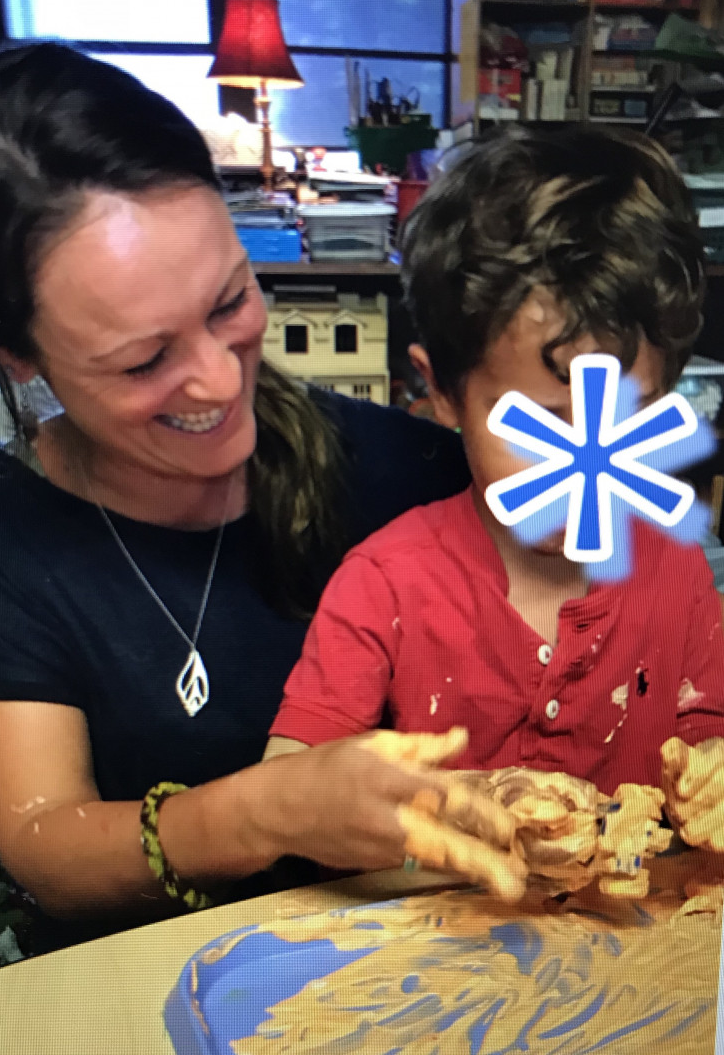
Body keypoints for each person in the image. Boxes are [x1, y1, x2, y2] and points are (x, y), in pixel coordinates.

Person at [0, 43, 526, 953]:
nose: (218, 383)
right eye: (144, 360)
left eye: (230, 302)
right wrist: (263, 812)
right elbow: (48, 848)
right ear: (10, 350)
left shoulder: (413, 473)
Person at [266, 126, 724, 854]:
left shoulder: (680, 577)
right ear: (442, 392)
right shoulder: (384, 585)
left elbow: (707, 744)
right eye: (537, 428)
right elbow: (286, 798)